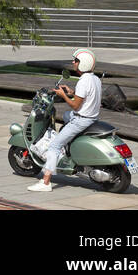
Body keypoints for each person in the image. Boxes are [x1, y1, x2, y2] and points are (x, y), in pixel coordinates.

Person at [27, 49, 101, 193]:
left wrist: (62, 95)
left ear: (83, 64)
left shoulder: (83, 81)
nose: (73, 63)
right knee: (67, 116)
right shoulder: (94, 79)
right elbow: (86, 95)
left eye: (76, 61)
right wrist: (72, 92)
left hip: (81, 120)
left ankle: (46, 182)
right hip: (91, 117)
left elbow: (75, 105)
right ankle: (67, 148)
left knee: (54, 146)